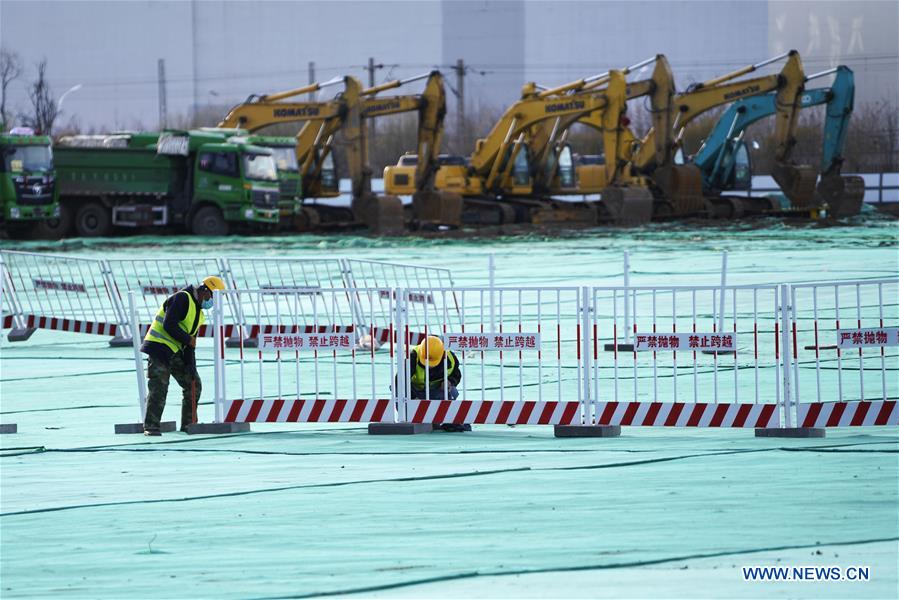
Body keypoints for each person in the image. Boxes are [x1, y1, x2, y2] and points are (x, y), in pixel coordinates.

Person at [140, 275, 226, 436]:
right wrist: (188, 339)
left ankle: (188, 425)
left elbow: (190, 345)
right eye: (213, 297)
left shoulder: (199, 314)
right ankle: (151, 427)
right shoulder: (182, 298)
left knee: (193, 385)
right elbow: (169, 324)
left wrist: (191, 366)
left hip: (176, 351)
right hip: (159, 349)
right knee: (159, 387)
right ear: (205, 291)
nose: (212, 302)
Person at [407, 335, 469, 432]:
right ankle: (424, 417)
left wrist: (450, 381)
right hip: (416, 391)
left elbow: (456, 374)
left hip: (436, 392)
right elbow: (400, 381)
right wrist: (414, 397)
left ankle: (440, 419)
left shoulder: (450, 358)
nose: (429, 366)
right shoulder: (413, 357)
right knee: (402, 397)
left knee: (452, 392)